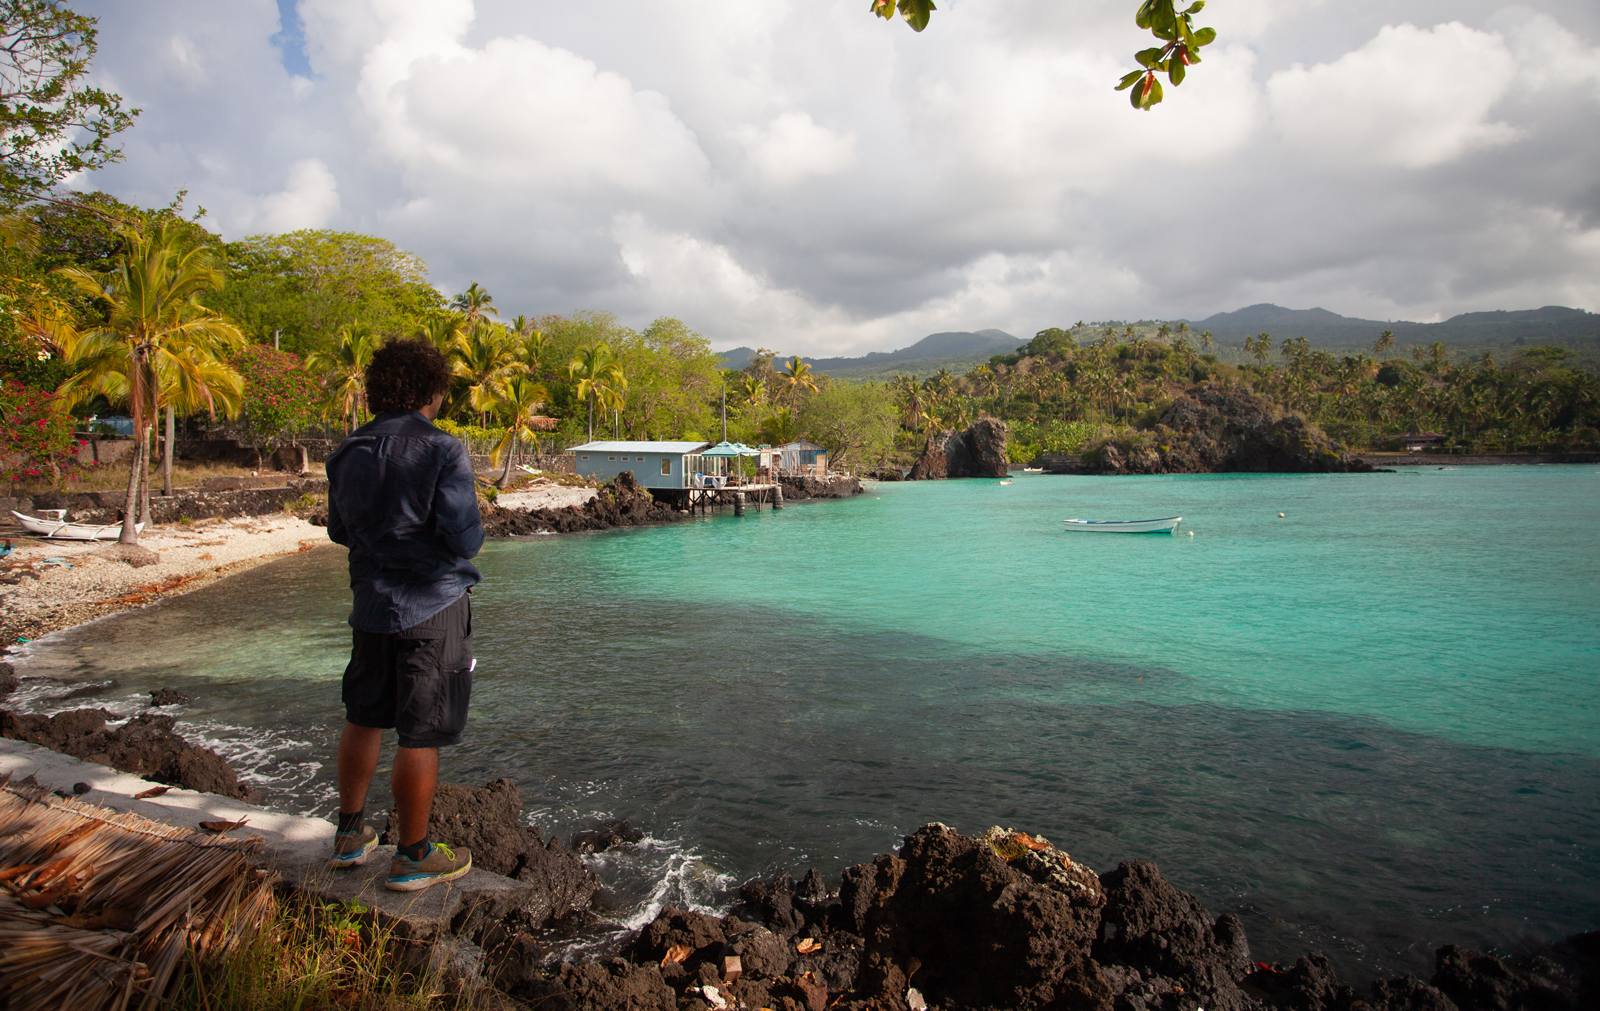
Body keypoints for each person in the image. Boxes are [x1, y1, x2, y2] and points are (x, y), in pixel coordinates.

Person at [322, 337, 483, 892]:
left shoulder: (346, 452)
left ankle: (349, 835)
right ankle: (413, 854)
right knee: (421, 732)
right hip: (432, 606)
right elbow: (465, 538)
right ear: (431, 392)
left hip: (370, 604)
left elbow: (339, 530)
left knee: (363, 714)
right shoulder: (443, 450)